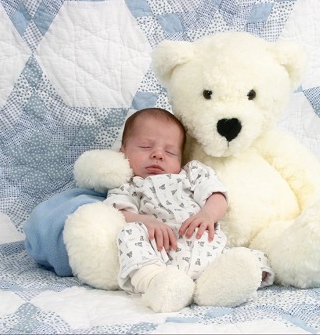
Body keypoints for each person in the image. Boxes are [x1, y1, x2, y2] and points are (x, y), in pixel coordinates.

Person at [104, 107, 274, 311]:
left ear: (180, 157)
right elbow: (117, 214)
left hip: (206, 246)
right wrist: (145, 221)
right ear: (123, 152)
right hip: (161, 256)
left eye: (170, 151)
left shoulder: (192, 173)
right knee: (128, 233)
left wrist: (208, 214)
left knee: (252, 258)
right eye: (145, 146)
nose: (158, 155)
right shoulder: (128, 184)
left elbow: (217, 195)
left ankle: (216, 288)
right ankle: (155, 284)